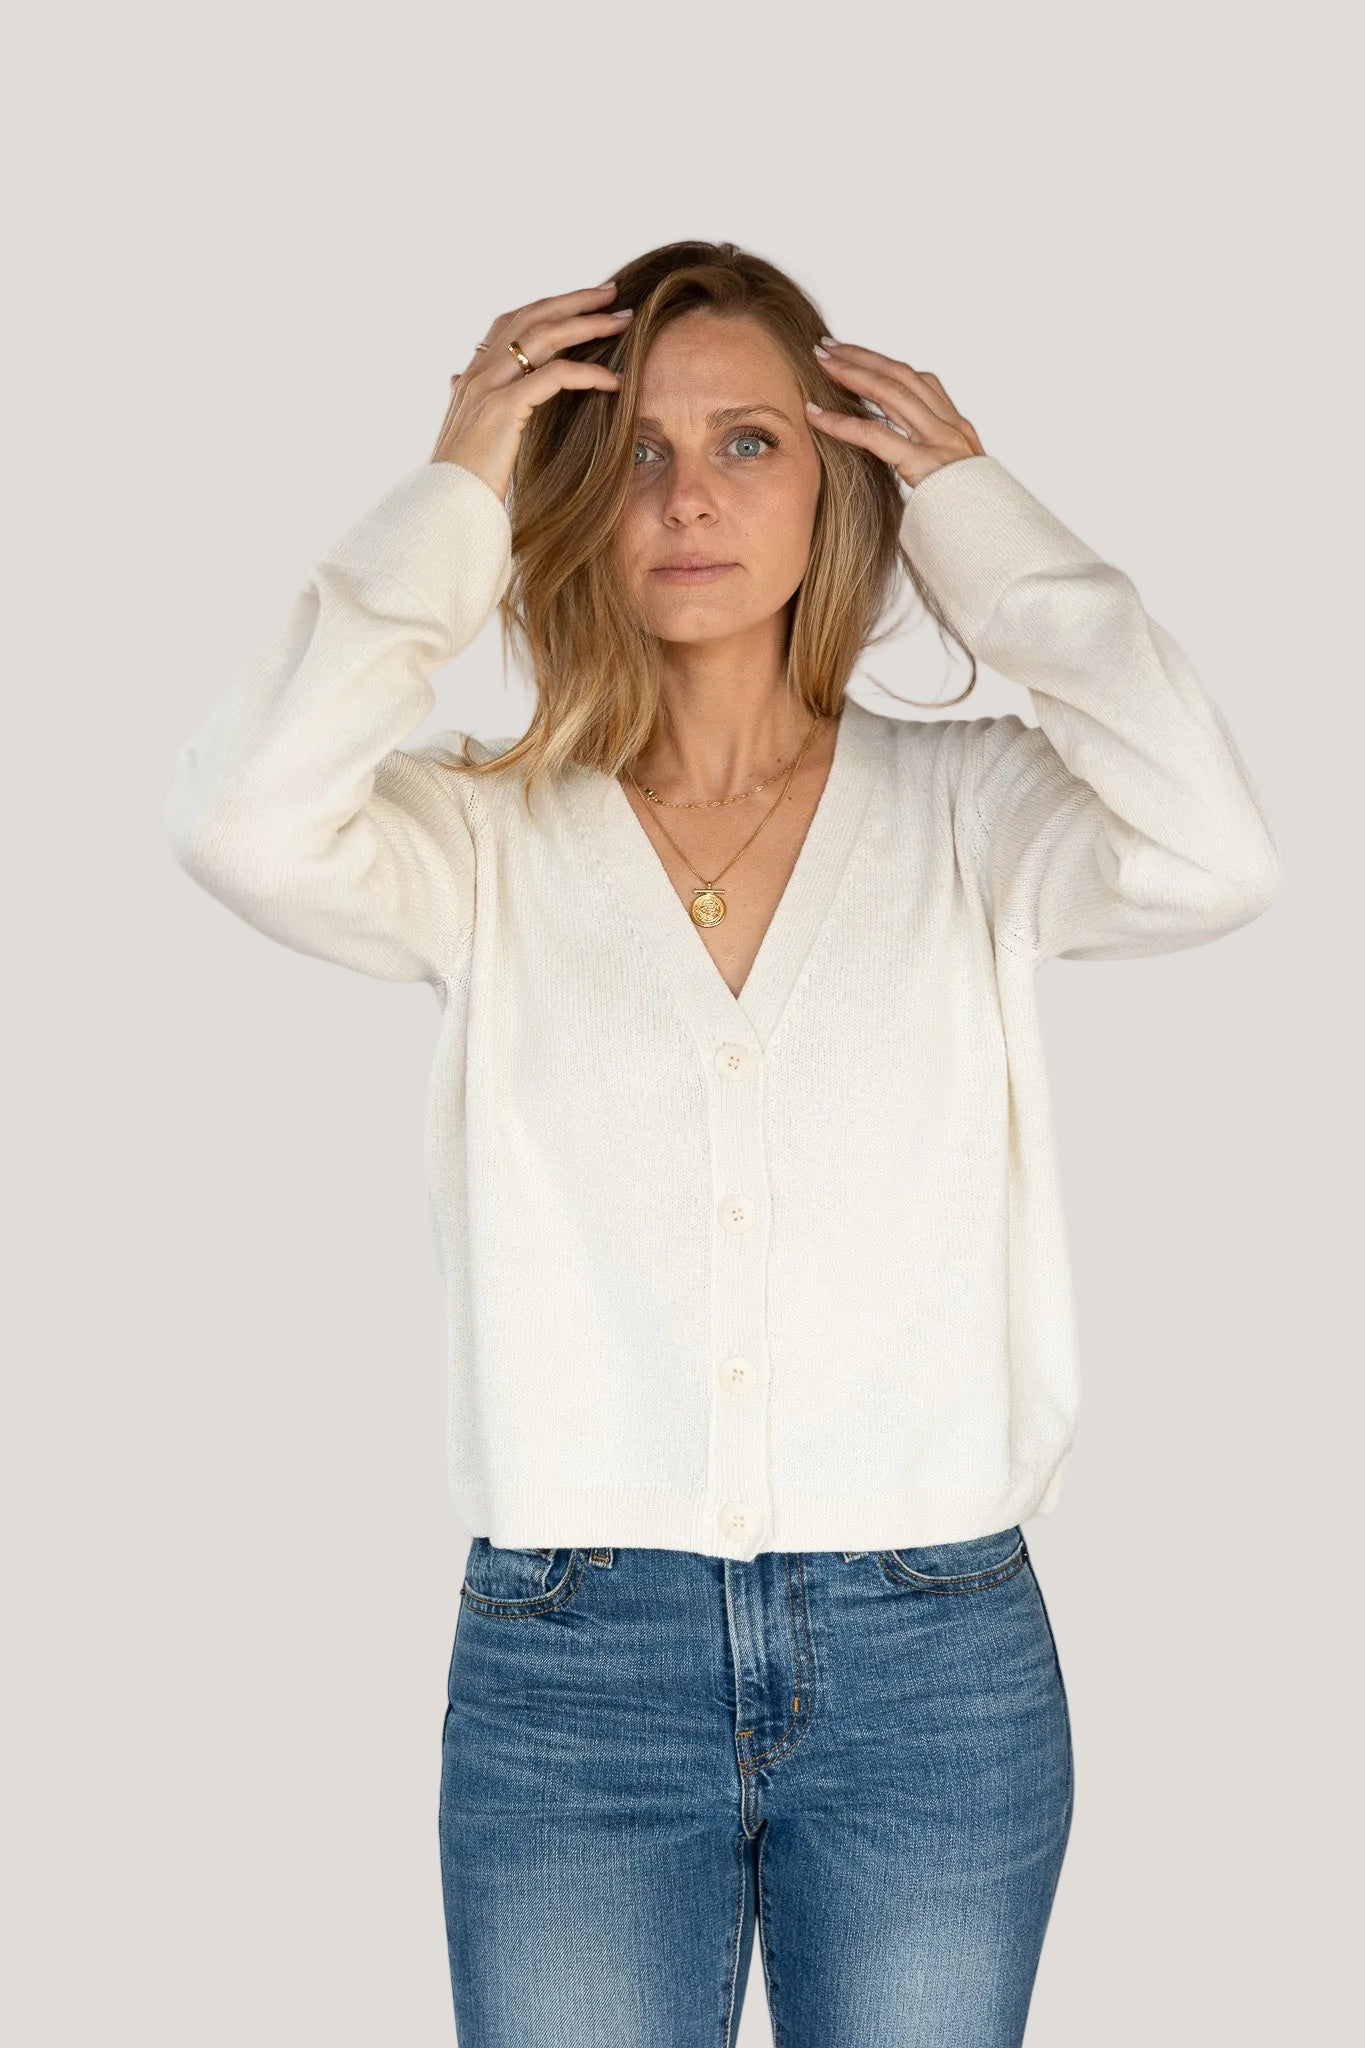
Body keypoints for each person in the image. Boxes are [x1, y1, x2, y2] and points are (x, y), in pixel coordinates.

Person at [164, 241, 1280, 2046]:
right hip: (570, 1664)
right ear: (571, 504)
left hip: (933, 1652)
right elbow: (237, 819)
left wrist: (978, 516)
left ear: (837, 478)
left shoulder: (977, 809)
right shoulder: (479, 838)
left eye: (748, 442)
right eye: (633, 455)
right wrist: (453, 489)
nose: (687, 499)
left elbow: (1216, 851)